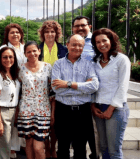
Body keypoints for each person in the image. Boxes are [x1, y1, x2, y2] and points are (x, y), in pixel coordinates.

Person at [51, 34, 99, 159]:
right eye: (74, 44)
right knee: (62, 147)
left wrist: (67, 84)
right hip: (63, 110)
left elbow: (94, 86)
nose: (77, 47)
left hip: (82, 111)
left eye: (80, 45)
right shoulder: (58, 64)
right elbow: (56, 89)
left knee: (80, 148)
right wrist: (83, 88)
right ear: (67, 45)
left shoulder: (89, 65)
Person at [90, 28, 130, 159]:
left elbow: (123, 87)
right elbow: (94, 86)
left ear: (111, 41)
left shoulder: (121, 60)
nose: (101, 44)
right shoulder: (95, 61)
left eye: (104, 41)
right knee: (103, 148)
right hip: (98, 107)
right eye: (98, 42)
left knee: (114, 151)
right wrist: (93, 106)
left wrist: (111, 109)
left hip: (116, 109)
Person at [38, 20, 68, 159]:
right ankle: (47, 146)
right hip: (40, 91)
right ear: (42, 34)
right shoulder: (37, 49)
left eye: (52, 32)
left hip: (59, 91)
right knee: (43, 121)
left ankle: (53, 147)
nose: (49, 34)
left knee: (55, 122)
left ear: (56, 34)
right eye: (47, 32)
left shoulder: (64, 50)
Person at [18, 41, 52, 159]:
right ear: (25, 54)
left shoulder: (48, 67)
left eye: (34, 51)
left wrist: (53, 113)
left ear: (39, 51)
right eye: (28, 52)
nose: (32, 53)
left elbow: (52, 91)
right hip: (26, 111)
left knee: (38, 146)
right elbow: (18, 91)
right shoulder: (20, 69)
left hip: (44, 110)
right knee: (29, 143)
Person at [0, 23, 25, 158]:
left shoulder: (25, 48)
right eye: (12, 32)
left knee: (18, 116)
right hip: (9, 86)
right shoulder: (4, 48)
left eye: (17, 32)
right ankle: (11, 148)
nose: (15, 34)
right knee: (11, 120)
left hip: (23, 86)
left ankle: (21, 144)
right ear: (7, 35)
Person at [72, 16, 99, 159]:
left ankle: (95, 155)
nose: (80, 28)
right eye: (77, 26)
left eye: (83, 25)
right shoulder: (71, 43)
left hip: (94, 95)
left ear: (90, 26)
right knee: (79, 134)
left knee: (94, 133)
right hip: (76, 95)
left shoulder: (96, 42)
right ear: (72, 28)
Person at [0, 47, 21, 159]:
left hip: (12, 112)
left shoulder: (14, 75)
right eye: (5, 57)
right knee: (5, 147)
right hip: (2, 112)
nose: (8, 59)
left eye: (10, 57)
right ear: (0, 59)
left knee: (1, 146)